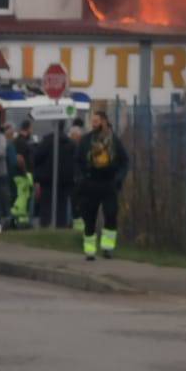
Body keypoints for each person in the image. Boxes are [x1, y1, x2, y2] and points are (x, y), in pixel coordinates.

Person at [74, 109, 128, 261]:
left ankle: (108, 248)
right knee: (89, 217)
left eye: (97, 121)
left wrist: (119, 178)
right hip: (90, 183)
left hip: (109, 183)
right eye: (93, 121)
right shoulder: (86, 140)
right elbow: (77, 160)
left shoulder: (114, 141)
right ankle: (90, 250)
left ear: (104, 122)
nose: (94, 124)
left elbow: (125, 161)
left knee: (111, 214)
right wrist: (81, 177)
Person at [32, 122, 78, 228]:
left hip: (47, 179)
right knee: (61, 206)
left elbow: (36, 158)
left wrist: (38, 175)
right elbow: (76, 161)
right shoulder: (71, 143)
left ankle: (45, 226)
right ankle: (60, 226)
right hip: (65, 180)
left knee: (46, 205)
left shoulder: (46, 141)